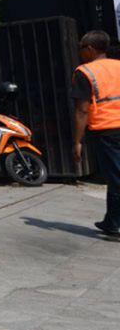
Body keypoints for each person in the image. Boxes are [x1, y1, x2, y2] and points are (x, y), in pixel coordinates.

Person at [71, 30, 120, 238]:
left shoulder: (85, 72)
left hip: (105, 130)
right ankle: (111, 221)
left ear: (90, 49)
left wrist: (77, 141)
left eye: (81, 48)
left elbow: (82, 110)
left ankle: (117, 226)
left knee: (116, 177)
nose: (80, 52)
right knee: (113, 175)